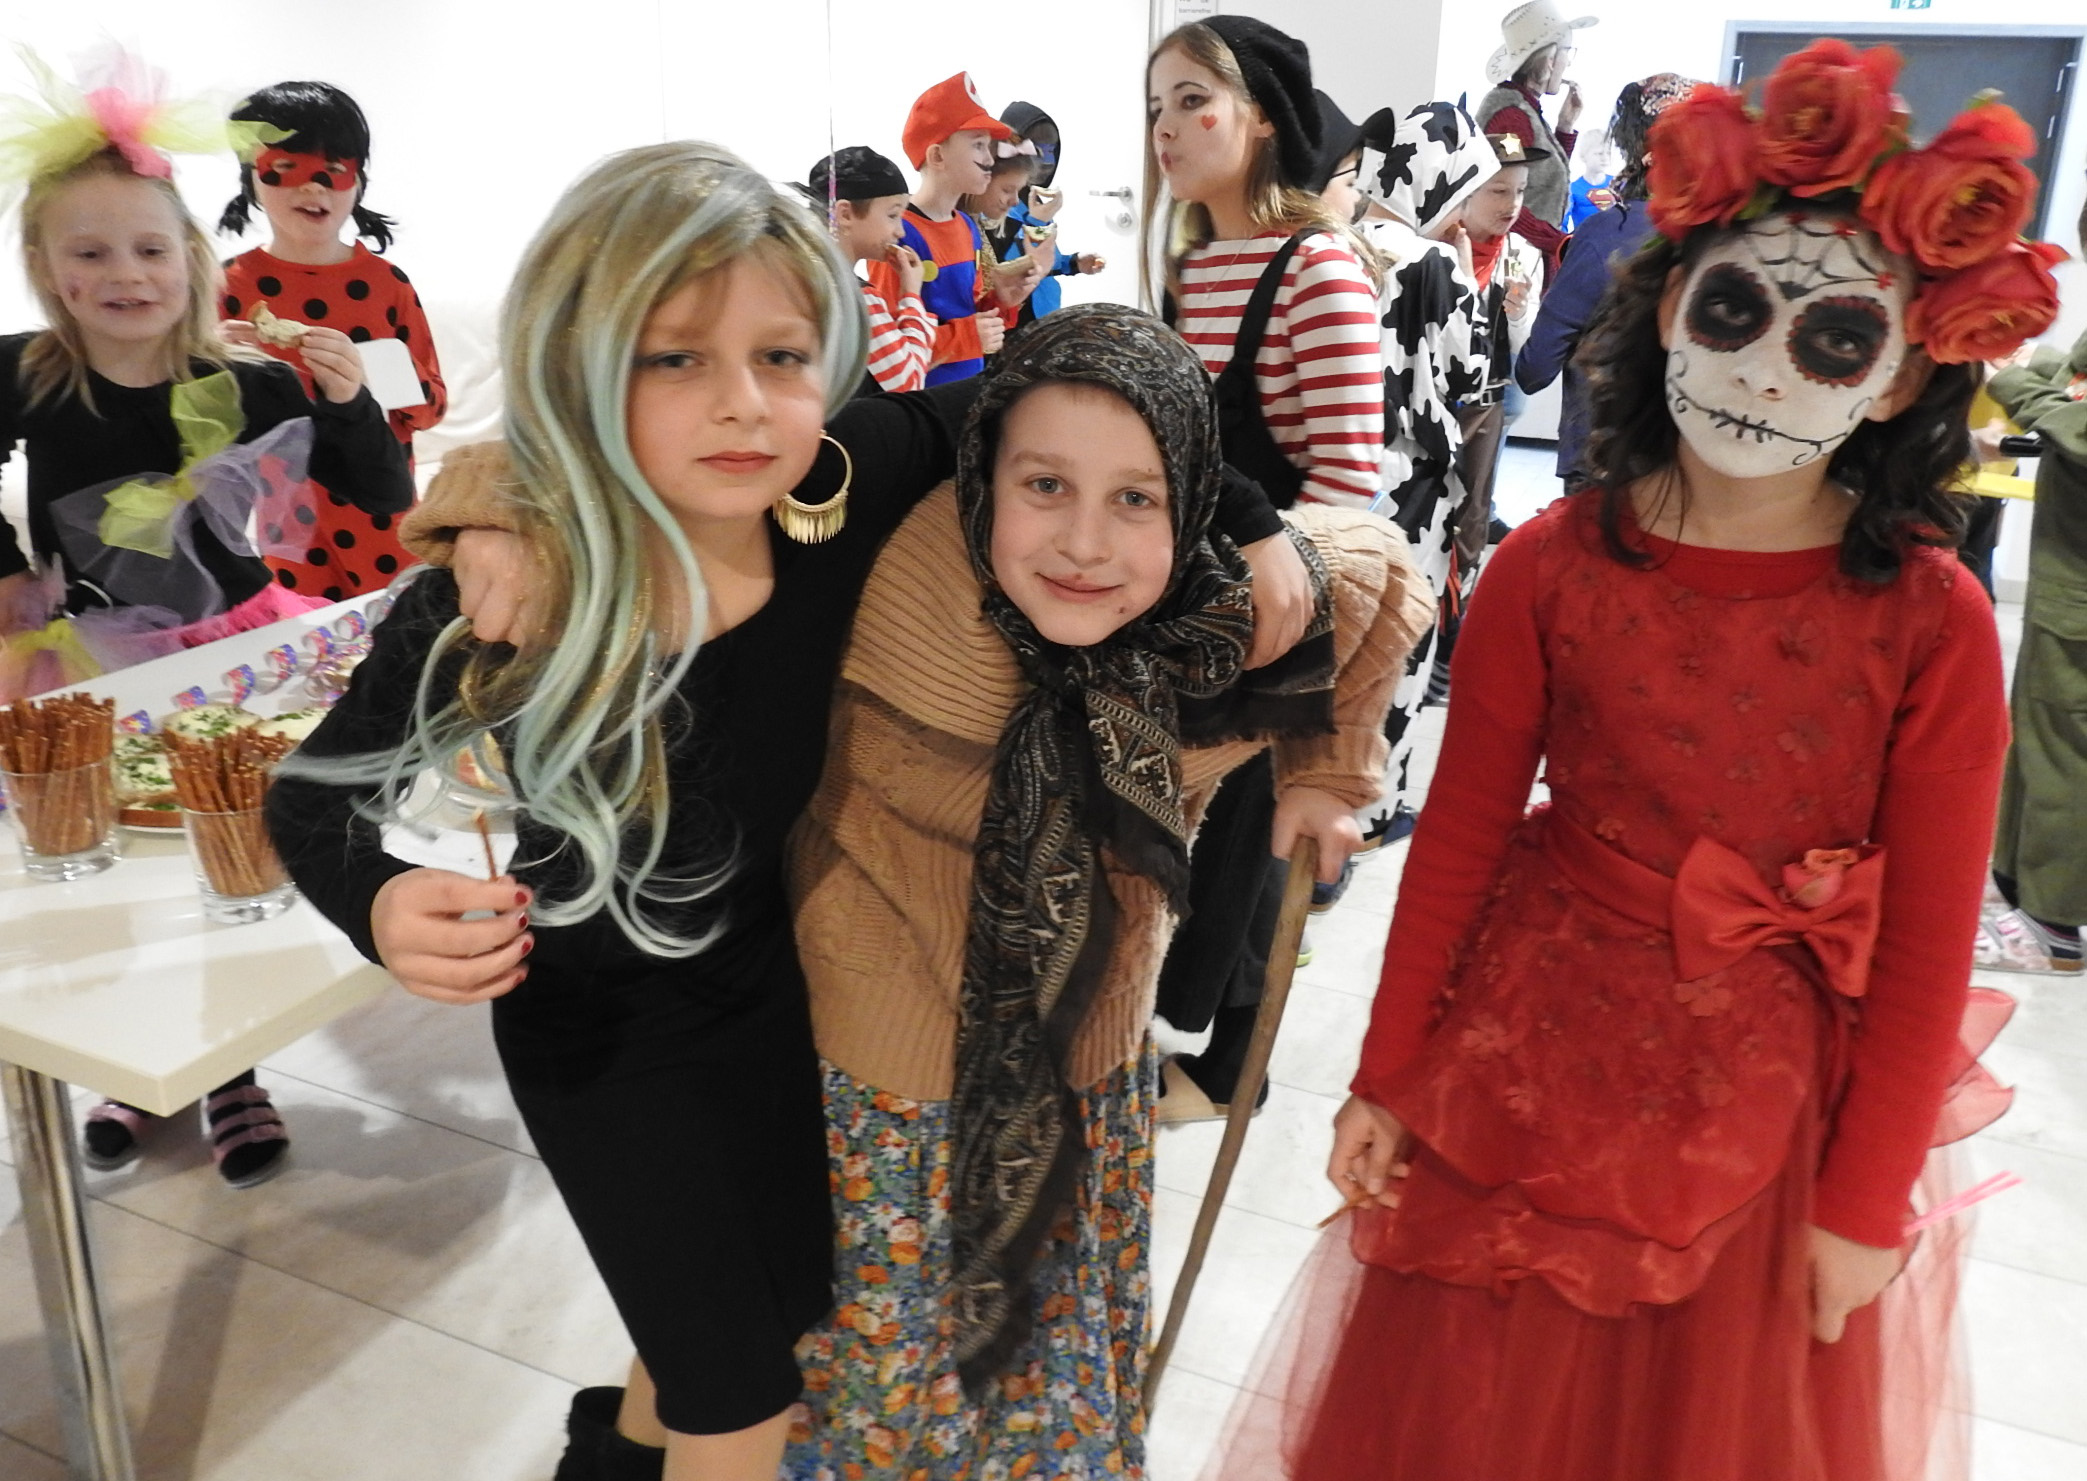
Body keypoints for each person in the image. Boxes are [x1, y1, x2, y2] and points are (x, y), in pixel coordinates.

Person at [266, 142, 1315, 1481]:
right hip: (606, 1040)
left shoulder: (836, 485)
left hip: (778, 1003)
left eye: (781, 356)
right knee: (742, 1400)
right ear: (580, 362)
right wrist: (379, 900)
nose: (744, 405)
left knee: (751, 1317)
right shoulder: (521, 595)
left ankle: (610, 1456)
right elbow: (312, 794)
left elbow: (1066, 382)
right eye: (675, 358)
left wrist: (1246, 510)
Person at [1205, 42, 2055, 1481]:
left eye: (1831, 338)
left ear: (1901, 372)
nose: (1765, 365)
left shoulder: (1929, 618)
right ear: (1668, 308)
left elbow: (1923, 936)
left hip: (1765, 1119)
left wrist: (1862, 1201)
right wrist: (1388, 1070)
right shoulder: (1549, 566)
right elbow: (1458, 837)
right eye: (1733, 308)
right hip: (1525, 1064)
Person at [781, 304, 1428, 1478]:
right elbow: (640, 497)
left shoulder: (1223, 606)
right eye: (1043, 485)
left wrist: (1324, 769)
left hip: (1085, 1060)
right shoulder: (891, 559)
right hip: (879, 1078)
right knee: (880, 1395)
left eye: (1139, 497)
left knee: (1052, 1389)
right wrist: (487, 521)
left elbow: (1381, 575)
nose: (1083, 542)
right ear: (985, 470)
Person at [0, 50, 412, 1189]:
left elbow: (382, 492)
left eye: (148, 248)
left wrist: (349, 399)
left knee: (227, 854)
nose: (125, 275)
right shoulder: (22, 375)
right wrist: (6, 576)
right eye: (89, 252)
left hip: (239, 651)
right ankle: (134, 1069)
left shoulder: (256, 379)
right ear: (45, 266)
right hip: (90, 660)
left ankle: (230, 1069)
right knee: (108, 863)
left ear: (190, 255)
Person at [1143, 14, 1386, 1120]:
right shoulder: (1190, 268)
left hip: (1281, 605)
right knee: (1202, 843)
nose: (1166, 127)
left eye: (1193, 100)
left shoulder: (1315, 269)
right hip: (1184, 603)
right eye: (1156, 106)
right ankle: (1199, 1050)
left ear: (1261, 119)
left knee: (1252, 848)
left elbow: (1345, 484)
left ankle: (1229, 1071)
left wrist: (1262, 602)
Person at [219, 80, 446, 600]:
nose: (312, 188)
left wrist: (373, 375)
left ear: (358, 181)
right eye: (285, 168)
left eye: (333, 170)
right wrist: (209, 362)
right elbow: (202, 426)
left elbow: (431, 407)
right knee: (305, 633)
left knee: (393, 622)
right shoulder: (227, 287)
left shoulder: (387, 285)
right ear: (251, 178)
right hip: (288, 519)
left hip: (382, 510)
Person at [1341, 101, 1492, 852]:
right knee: (1397, 648)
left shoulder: (1339, 244)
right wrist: (1468, 280)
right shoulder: (1434, 264)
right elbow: (1471, 375)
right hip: (1412, 484)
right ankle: (1372, 811)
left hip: (1343, 469)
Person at [1979, 183, 2087, 975]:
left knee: (2062, 744)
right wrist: (2031, 363)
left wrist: (2017, 384)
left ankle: (2051, 921)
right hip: (2065, 565)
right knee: (2043, 728)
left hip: (2077, 579)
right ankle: (2022, 889)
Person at [1519, 74, 1697, 488]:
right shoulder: (1719, 237)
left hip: (1604, 462)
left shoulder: (1605, 236)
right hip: (1690, 469)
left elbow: (1535, 369)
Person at [864, 73, 1037, 385]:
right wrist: (967, 337)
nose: (990, 160)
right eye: (979, 145)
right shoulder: (898, 234)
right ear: (937, 156)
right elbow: (887, 350)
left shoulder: (967, 227)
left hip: (964, 389)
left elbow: (967, 312)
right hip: (923, 401)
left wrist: (1001, 300)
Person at [806, 146, 935, 394]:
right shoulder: (858, 299)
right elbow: (909, 383)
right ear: (845, 214)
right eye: (893, 215)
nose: (900, 232)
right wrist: (911, 296)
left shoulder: (802, 274)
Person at [1477, 0, 1595, 261]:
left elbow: (1539, 178)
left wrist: (1565, 128)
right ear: (1550, 60)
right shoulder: (1512, 116)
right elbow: (1504, 201)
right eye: (1567, 52)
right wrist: (1560, 243)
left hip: (1524, 257)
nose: (1568, 63)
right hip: (1515, 261)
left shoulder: (1521, 109)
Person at [993, 101, 1107, 324]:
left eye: (1051, 150)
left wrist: (1072, 263)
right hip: (1018, 319)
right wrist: (1037, 223)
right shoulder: (996, 205)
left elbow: (1044, 263)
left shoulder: (1031, 201)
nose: (1047, 162)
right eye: (1036, 150)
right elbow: (1011, 268)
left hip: (1045, 313)